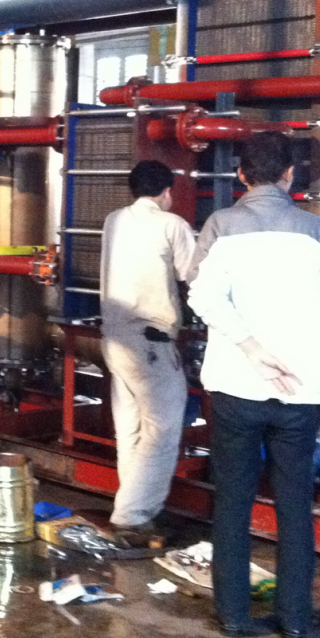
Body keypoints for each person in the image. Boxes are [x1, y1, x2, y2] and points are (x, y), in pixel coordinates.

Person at [187, 132, 320, 638]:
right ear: (289, 175)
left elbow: (201, 296)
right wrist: (308, 357)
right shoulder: (318, 230)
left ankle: (235, 616)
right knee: (295, 504)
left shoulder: (221, 225)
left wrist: (252, 348)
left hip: (236, 387)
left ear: (241, 176)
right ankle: (296, 619)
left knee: (233, 502)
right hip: (301, 391)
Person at [98, 159, 196, 547]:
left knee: (131, 428)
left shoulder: (114, 220)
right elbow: (194, 274)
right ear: (167, 192)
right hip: (150, 342)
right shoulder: (172, 224)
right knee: (163, 428)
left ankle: (134, 506)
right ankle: (132, 515)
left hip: (114, 337)